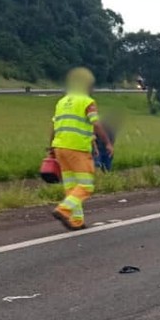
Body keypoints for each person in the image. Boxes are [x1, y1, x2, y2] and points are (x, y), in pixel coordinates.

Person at [49, 67, 112, 231]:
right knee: (85, 186)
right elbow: (95, 123)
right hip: (77, 149)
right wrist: (107, 143)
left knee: (71, 187)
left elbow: (55, 126)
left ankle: (76, 221)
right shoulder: (87, 101)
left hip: (60, 147)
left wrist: (51, 147)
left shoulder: (61, 102)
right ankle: (63, 209)